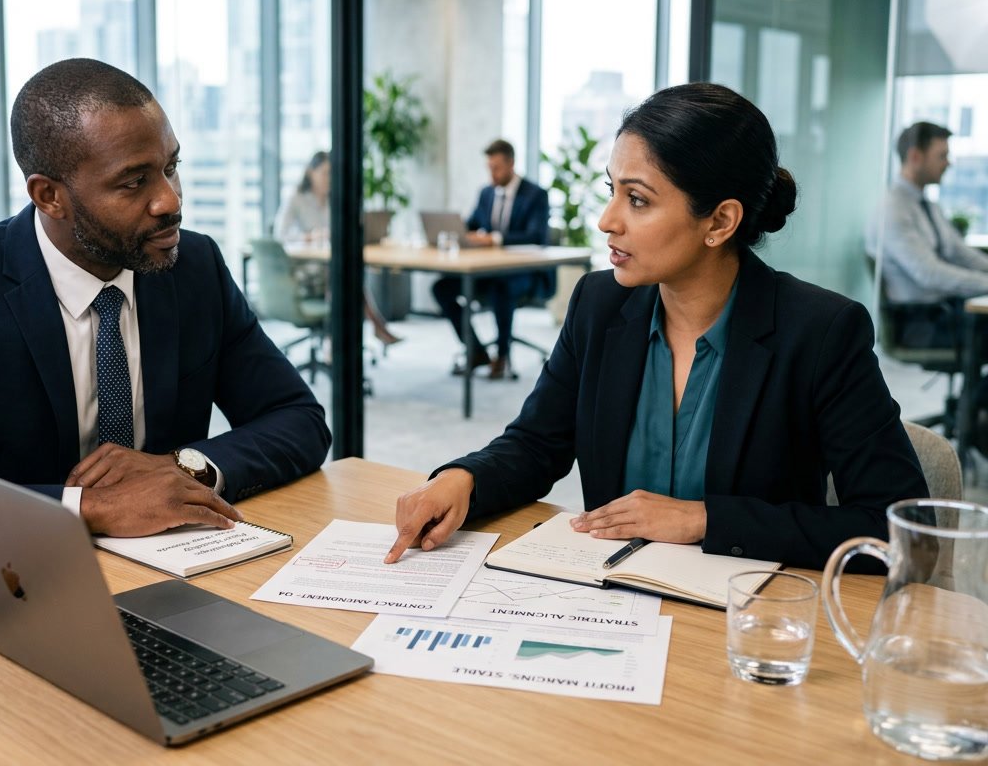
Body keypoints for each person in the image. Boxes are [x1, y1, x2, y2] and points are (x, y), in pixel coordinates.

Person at [387, 83, 926, 571]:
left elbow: (896, 530)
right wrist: (464, 478)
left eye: (637, 199)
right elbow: (537, 443)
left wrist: (704, 519)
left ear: (720, 221)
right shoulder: (599, 304)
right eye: (612, 189)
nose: (606, 219)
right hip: (610, 604)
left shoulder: (821, 331)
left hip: (739, 623)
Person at [0, 58, 331, 567]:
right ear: (50, 196)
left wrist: (183, 468)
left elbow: (299, 420)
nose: (170, 201)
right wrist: (88, 508)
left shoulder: (193, 266)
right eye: (134, 182)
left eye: (171, 167)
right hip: (19, 588)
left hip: (177, 575)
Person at [431, 139, 550, 380]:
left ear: (511, 164)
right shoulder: (486, 193)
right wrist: (457, 231)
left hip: (524, 273)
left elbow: (537, 235)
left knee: (501, 287)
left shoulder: (535, 195)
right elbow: (472, 224)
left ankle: (503, 356)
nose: (492, 173)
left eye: (496, 167)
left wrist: (495, 238)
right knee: (442, 287)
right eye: (489, 167)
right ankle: (476, 351)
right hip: (488, 271)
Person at [867, 121, 987, 347]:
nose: (948, 163)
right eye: (942, 156)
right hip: (919, 323)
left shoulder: (928, 206)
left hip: (944, 313)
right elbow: (929, 273)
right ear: (915, 157)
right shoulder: (893, 209)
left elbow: (960, 252)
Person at [273, 150, 403, 348]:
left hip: (328, 262)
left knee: (346, 273)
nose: (329, 178)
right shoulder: (296, 198)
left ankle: (336, 338)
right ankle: (368, 328)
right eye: (325, 173)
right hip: (304, 267)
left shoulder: (334, 199)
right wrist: (309, 236)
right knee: (342, 274)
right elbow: (279, 235)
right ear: (311, 172)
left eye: (332, 173)